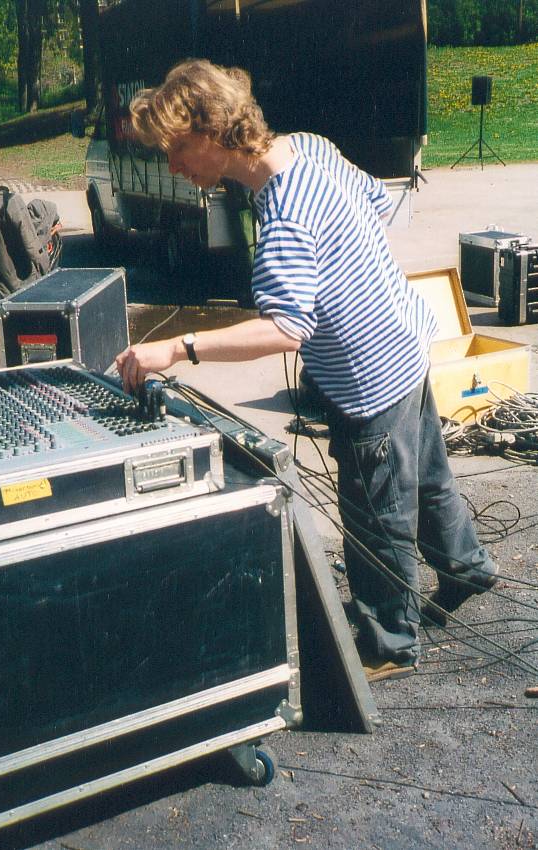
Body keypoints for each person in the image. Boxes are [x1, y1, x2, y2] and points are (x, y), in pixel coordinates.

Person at [117, 59, 498, 682]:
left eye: (179, 150)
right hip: (406, 340)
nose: (176, 168)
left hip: (369, 377)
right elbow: (375, 202)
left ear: (213, 131)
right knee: (423, 471)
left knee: (376, 512)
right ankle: (467, 566)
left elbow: (286, 329)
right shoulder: (309, 147)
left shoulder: (282, 217)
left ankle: (390, 642)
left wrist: (176, 349)